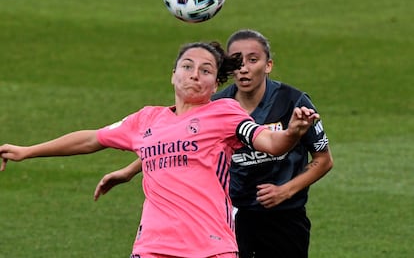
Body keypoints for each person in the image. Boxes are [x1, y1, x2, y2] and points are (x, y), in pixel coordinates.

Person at [0, 41, 320, 258]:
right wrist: (27, 151)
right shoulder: (146, 119)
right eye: (187, 66)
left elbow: (270, 142)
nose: (195, 74)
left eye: (206, 70)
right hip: (153, 245)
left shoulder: (224, 112)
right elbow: (92, 139)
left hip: (209, 247)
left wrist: (293, 131)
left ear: (214, 83)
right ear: (173, 75)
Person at [94, 30, 334, 258]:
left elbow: (324, 160)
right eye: (237, 61)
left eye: (253, 60)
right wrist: (128, 171)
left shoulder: (293, 102)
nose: (244, 69)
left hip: (284, 215)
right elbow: (169, 140)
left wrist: (286, 190)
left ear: (268, 65)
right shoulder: (215, 105)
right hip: (233, 212)